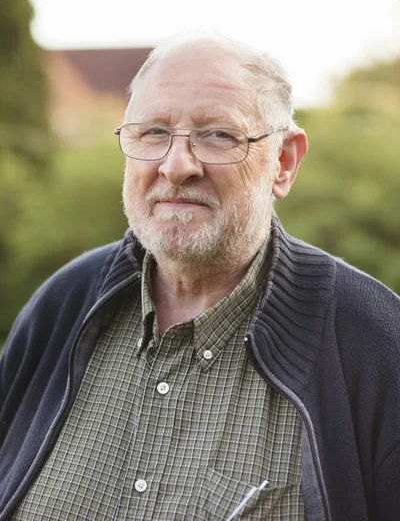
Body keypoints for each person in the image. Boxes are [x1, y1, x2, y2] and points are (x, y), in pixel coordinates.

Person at [0, 33, 399, 521]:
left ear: (284, 163)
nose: (177, 165)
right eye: (152, 133)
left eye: (219, 135)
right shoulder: (62, 306)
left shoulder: (374, 343)